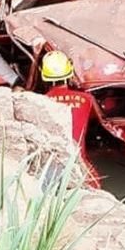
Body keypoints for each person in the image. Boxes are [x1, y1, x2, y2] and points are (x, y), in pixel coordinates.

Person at [39, 50, 101, 188]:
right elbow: (98, 120)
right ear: (70, 73)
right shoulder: (87, 99)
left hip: (52, 167)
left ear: (43, 76)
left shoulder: (39, 102)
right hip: (79, 166)